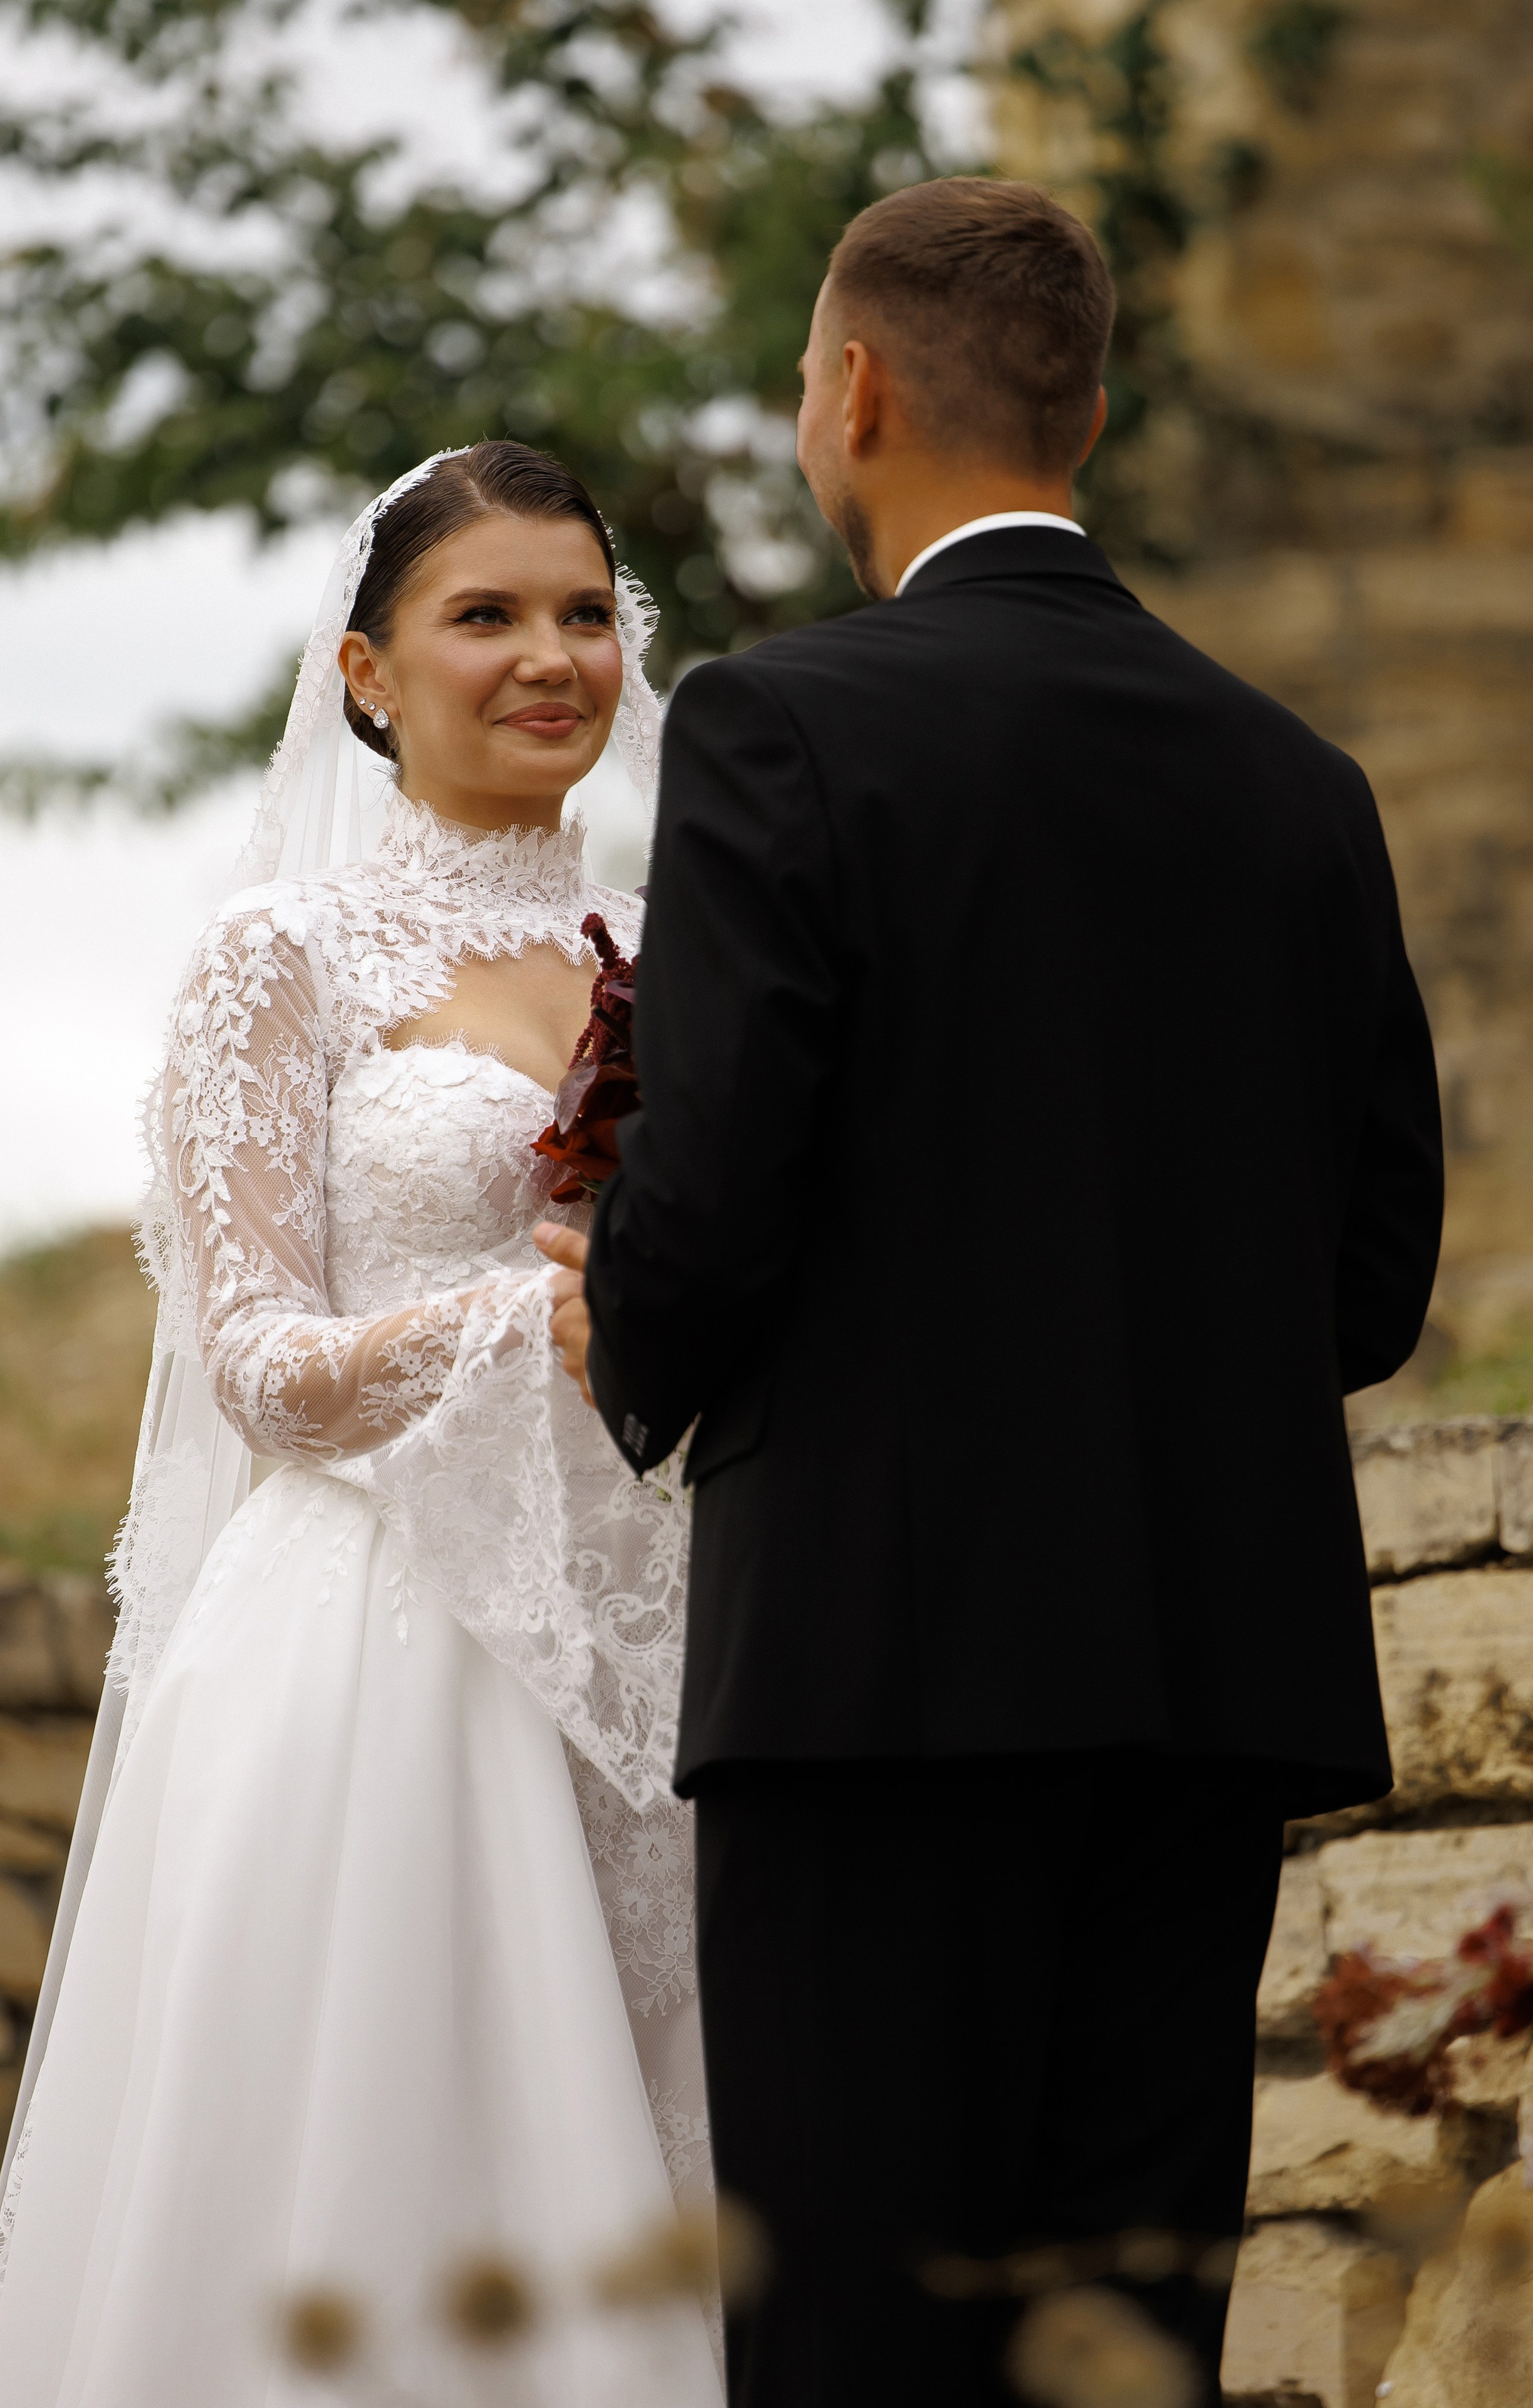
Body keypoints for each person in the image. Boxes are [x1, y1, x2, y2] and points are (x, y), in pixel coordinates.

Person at [535, 178, 1444, 2407]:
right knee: (1124, 2338)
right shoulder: (1300, 785)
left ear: (851, 392)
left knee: (861, 2342)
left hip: (874, 1683)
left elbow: (721, 1197)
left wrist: (615, 1311)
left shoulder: (784, 730)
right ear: (1097, 412)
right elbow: (1376, 1266)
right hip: (1203, 1692)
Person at [0, 443, 722, 2408]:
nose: (550, 655)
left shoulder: (681, 948)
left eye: (580, 612)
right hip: (383, 1659)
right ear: (367, 673)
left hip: (654, 1635)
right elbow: (263, 1364)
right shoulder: (279, 958)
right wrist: (523, 1309)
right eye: (487, 615)